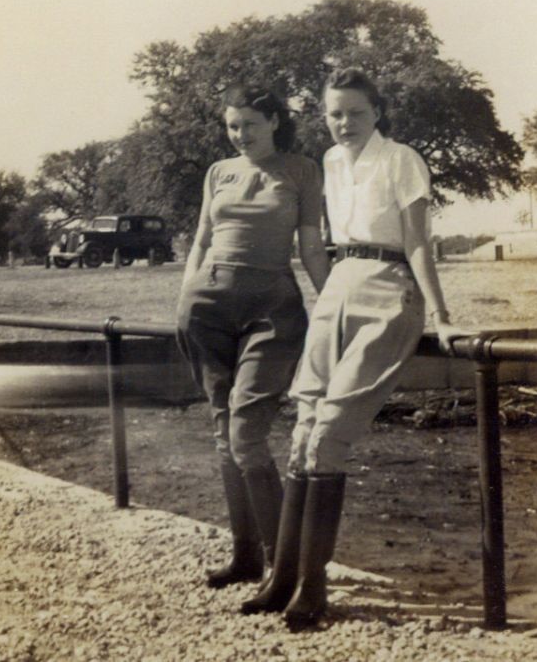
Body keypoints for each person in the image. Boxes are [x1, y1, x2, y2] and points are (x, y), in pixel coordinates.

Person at [242, 67, 463, 628]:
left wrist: (440, 315)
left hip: (389, 291)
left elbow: (417, 242)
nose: (344, 123)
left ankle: (313, 590)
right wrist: (326, 300)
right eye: (335, 113)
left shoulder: (402, 159)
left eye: (356, 113)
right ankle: (283, 578)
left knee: (330, 434)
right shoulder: (330, 164)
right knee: (301, 431)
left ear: (378, 113)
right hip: (339, 285)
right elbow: (324, 242)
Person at [176, 84, 329, 590]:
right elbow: (201, 239)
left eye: (251, 125)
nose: (241, 135)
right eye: (233, 127)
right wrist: (185, 300)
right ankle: (245, 557)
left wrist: (334, 309)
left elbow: (310, 249)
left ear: (275, 123)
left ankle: (284, 565)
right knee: (224, 435)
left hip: (273, 309)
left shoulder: (303, 169)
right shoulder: (218, 172)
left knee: (247, 433)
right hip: (208, 306)